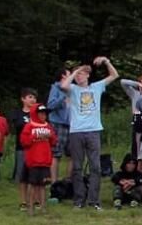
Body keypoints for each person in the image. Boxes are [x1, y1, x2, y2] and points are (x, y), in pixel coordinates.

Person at [60, 56, 120, 210]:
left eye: (81, 74)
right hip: (76, 132)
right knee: (77, 167)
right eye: (77, 74)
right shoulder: (73, 89)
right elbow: (64, 85)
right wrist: (75, 72)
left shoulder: (96, 87)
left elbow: (114, 75)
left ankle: (94, 200)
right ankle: (79, 200)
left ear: (88, 75)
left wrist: (106, 61)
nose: (79, 76)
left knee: (95, 167)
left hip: (93, 131)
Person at [18, 104, 56, 215]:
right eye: (41, 113)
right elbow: (24, 141)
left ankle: (43, 207)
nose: (44, 115)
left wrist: (51, 137)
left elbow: (54, 141)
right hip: (33, 161)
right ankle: (30, 208)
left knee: (43, 185)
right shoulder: (29, 126)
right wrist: (34, 137)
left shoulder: (48, 126)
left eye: (45, 113)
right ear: (35, 114)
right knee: (33, 184)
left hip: (45, 161)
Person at [9, 89, 39, 205]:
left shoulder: (39, 113)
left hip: (37, 148)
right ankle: (23, 201)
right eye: (30, 97)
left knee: (36, 175)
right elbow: (17, 126)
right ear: (23, 99)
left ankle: (36, 199)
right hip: (22, 148)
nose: (33, 99)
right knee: (22, 176)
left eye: (34, 98)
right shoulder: (17, 113)